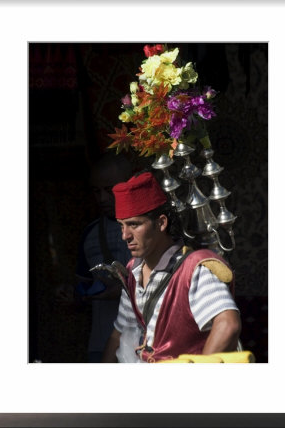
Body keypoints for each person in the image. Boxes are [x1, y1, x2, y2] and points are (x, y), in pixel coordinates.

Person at [102, 172, 241, 363]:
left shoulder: (195, 269)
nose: (125, 235)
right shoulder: (132, 272)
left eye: (134, 225)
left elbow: (228, 325)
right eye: (122, 226)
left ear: (161, 223)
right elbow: (120, 334)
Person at [57, 152, 133, 362]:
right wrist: (74, 294)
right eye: (96, 191)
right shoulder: (90, 235)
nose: (102, 199)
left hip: (147, 340)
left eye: (110, 190)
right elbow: (85, 286)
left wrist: (125, 289)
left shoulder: (156, 227)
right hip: (103, 339)